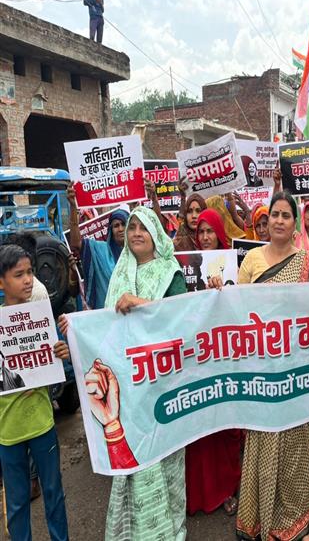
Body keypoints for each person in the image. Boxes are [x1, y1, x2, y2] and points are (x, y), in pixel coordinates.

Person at [225, 190, 309, 541]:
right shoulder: (252, 259)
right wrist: (218, 291)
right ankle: (262, 517)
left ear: (295, 222)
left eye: (286, 215)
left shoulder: (308, 262)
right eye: (275, 215)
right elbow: (236, 310)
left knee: (294, 443)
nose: (279, 220)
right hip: (261, 368)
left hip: (296, 368)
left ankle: (294, 519)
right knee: (263, 438)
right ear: (267, 222)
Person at [92, 206, 187, 540]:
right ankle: (136, 530)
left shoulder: (169, 272)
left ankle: (168, 527)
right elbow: (104, 325)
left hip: (162, 380)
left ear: (155, 234)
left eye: (143, 228)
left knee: (164, 455)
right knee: (133, 456)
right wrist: (75, 331)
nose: (135, 233)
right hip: (128, 383)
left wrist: (141, 303)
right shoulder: (120, 273)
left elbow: (183, 319)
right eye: (131, 228)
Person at [0, 244, 70, 541]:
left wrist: (62, 352)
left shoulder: (42, 319)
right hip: (8, 430)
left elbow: (54, 365)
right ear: (1, 282)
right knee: (17, 503)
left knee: (54, 493)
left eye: (30, 272)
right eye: (19, 275)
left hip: (42, 423)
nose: (28, 280)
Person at [186, 207, 242, 516]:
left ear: (220, 234)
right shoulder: (186, 265)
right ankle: (199, 490)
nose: (205, 237)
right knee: (200, 427)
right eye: (201, 231)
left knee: (223, 425)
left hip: (225, 356)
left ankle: (226, 488)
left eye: (211, 231)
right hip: (197, 357)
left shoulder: (232, 265)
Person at [67, 183, 129, 309]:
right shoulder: (101, 250)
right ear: (110, 230)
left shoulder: (139, 252)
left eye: (124, 224)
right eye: (116, 226)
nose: (120, 229)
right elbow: (76, 243)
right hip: (107, 314)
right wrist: (73, 206)